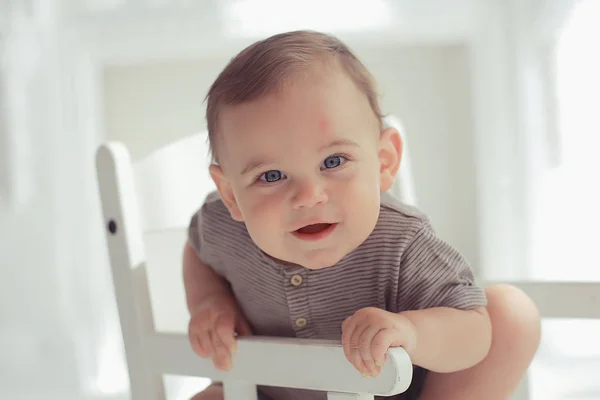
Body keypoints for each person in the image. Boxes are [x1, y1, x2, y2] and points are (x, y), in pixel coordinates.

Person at [183, 30, 541, 399]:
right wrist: (209, 302)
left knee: (509, 311)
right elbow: (197, 250)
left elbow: (474, 333)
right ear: (231, 196)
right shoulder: (222, 226)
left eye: (333, 161)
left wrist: (413, 333)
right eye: (271, 176)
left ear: (384, 162)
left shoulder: (403, 243)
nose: (308, 197)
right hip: (266, 392)